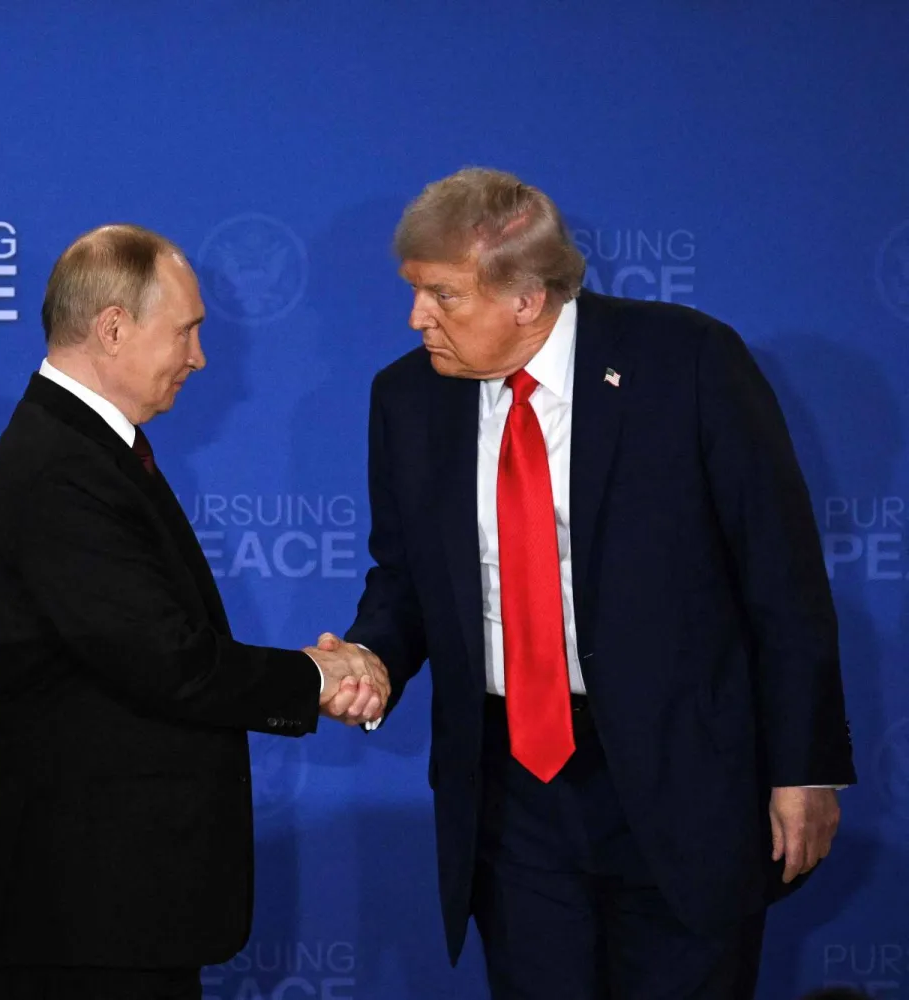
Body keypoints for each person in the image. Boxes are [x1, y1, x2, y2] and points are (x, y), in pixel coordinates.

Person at [319, 167, 854, 998]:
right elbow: (405, 581)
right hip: (512, 792)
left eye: (442, 295)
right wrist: (372, 656)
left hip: (681, 779)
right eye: (416, 292)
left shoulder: (688, 361)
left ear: (526, 298)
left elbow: (780, 578)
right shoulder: (407, 398)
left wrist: (805, 767)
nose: (417, 317)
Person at [0, 224, 389, 1000]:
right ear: (114, 327)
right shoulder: (60, 469)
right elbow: (166, 660)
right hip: (86, 912)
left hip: (120, 905)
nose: (199, 357)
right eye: (188, 330)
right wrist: (315, 677)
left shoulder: (92, 452)